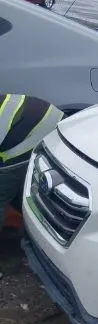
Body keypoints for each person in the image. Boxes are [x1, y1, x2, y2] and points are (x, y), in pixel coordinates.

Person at [0, 93, 65, 229]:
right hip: (48, 120)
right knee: (22, 185)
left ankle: (39, 229)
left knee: (6, 182)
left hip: (38, 133)